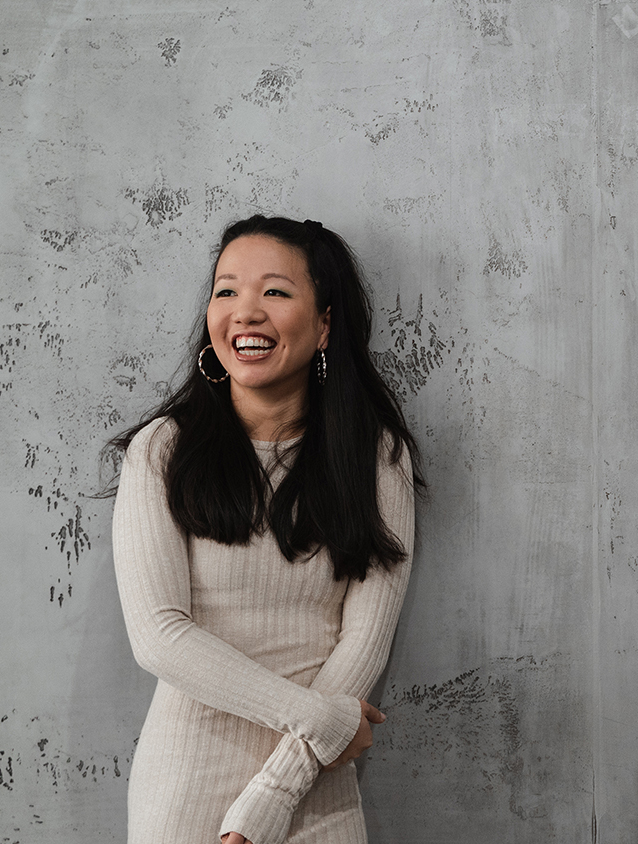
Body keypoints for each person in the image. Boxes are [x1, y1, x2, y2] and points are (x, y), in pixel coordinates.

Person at [108, 215, 420, 844]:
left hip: (313, 789)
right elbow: (159, 636)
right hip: (187, 782)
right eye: (226, 291)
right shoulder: (162, 451)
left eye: (274, 292)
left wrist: (272, 799)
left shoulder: (375, 455)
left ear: (326, 322)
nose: (244, 313)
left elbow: (365, 640)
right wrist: (323, 722)